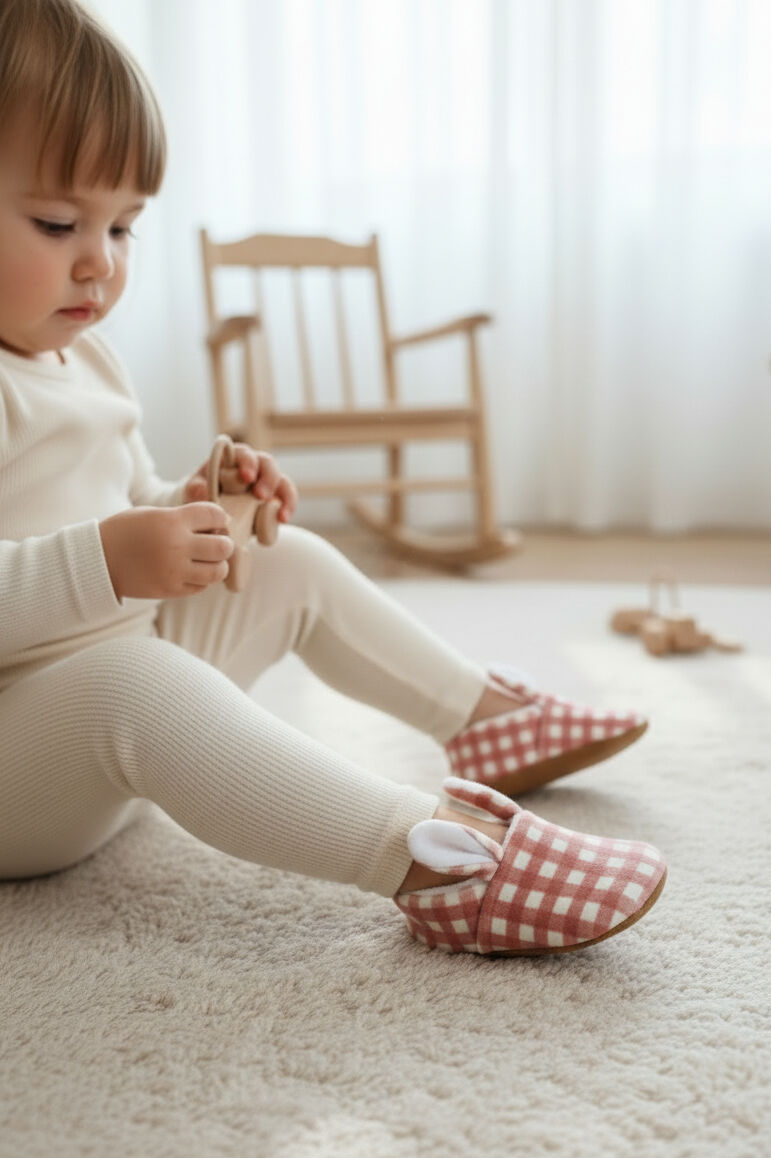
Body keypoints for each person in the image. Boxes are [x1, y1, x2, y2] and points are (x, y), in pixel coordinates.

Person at [0, 0, 666, 958]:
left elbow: (117, 500)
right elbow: (85, 561)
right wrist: (107, 561)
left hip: (99, 738)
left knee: (288, 565)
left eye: (126, 227)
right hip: (26, 766)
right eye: (60, 222)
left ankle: (486, 721)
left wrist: (190, 507)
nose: (99, 262)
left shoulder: (89, 361)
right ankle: (439, 863)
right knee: (133, 680)